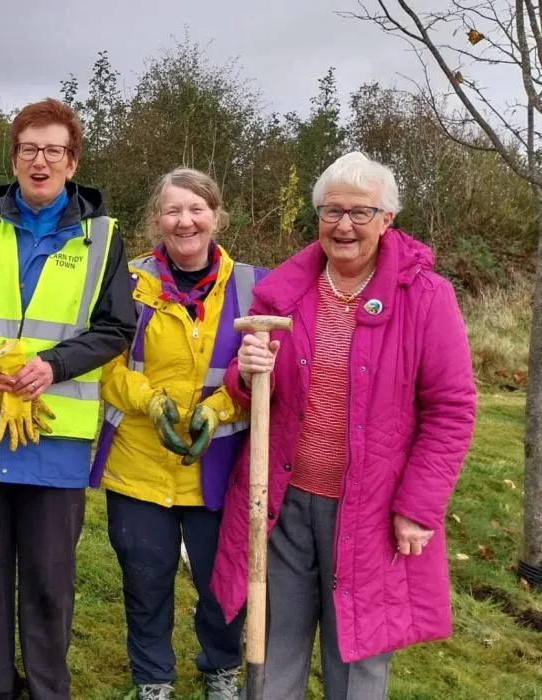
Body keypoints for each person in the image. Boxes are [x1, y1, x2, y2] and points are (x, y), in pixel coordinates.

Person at [208, 152, 478, 699]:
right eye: (333, 211)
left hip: (373, 509)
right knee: (273, 637)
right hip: (284, 499)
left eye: (361, 212)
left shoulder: (426, 298)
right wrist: (244, 374)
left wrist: (418, 507)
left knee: (356, 650)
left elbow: (451, 409)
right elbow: (252, 387)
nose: (345, 225)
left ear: (387, 219)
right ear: (318, 217)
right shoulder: (284, 292)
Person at [0, 98, 134, 700]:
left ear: (72, 163)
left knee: (48, 579)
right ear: (13, 158)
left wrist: (53, 365)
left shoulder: (104, 239)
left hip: (56, 436)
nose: (40, 161)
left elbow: (117, 327)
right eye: (28, 149)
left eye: (53, 150)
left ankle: (47, 689)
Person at [89, 169, 263, 700]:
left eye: (196, 209)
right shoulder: (127, 281)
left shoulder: (254, 286)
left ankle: (220, 668)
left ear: (216, 216)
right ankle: (153, 680)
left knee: (222, 580)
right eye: (172, 211)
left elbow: (266, 368)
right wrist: (150, 400)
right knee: (146, 580)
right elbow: (105, 364)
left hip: (220, 465)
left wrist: (220, 405)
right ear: (156, 220)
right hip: (139, 463)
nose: (184, 221)